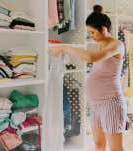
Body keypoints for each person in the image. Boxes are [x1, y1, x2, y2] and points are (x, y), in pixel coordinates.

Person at [49, 5, 127, 151]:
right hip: (96, 103)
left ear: (103, 29)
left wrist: (65, 48)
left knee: (116, 148)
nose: (90, 35)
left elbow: (91, 58)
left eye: (92, 32)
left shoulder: (117, 45)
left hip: (110, 103)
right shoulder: (101, 44)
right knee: (98, 144)